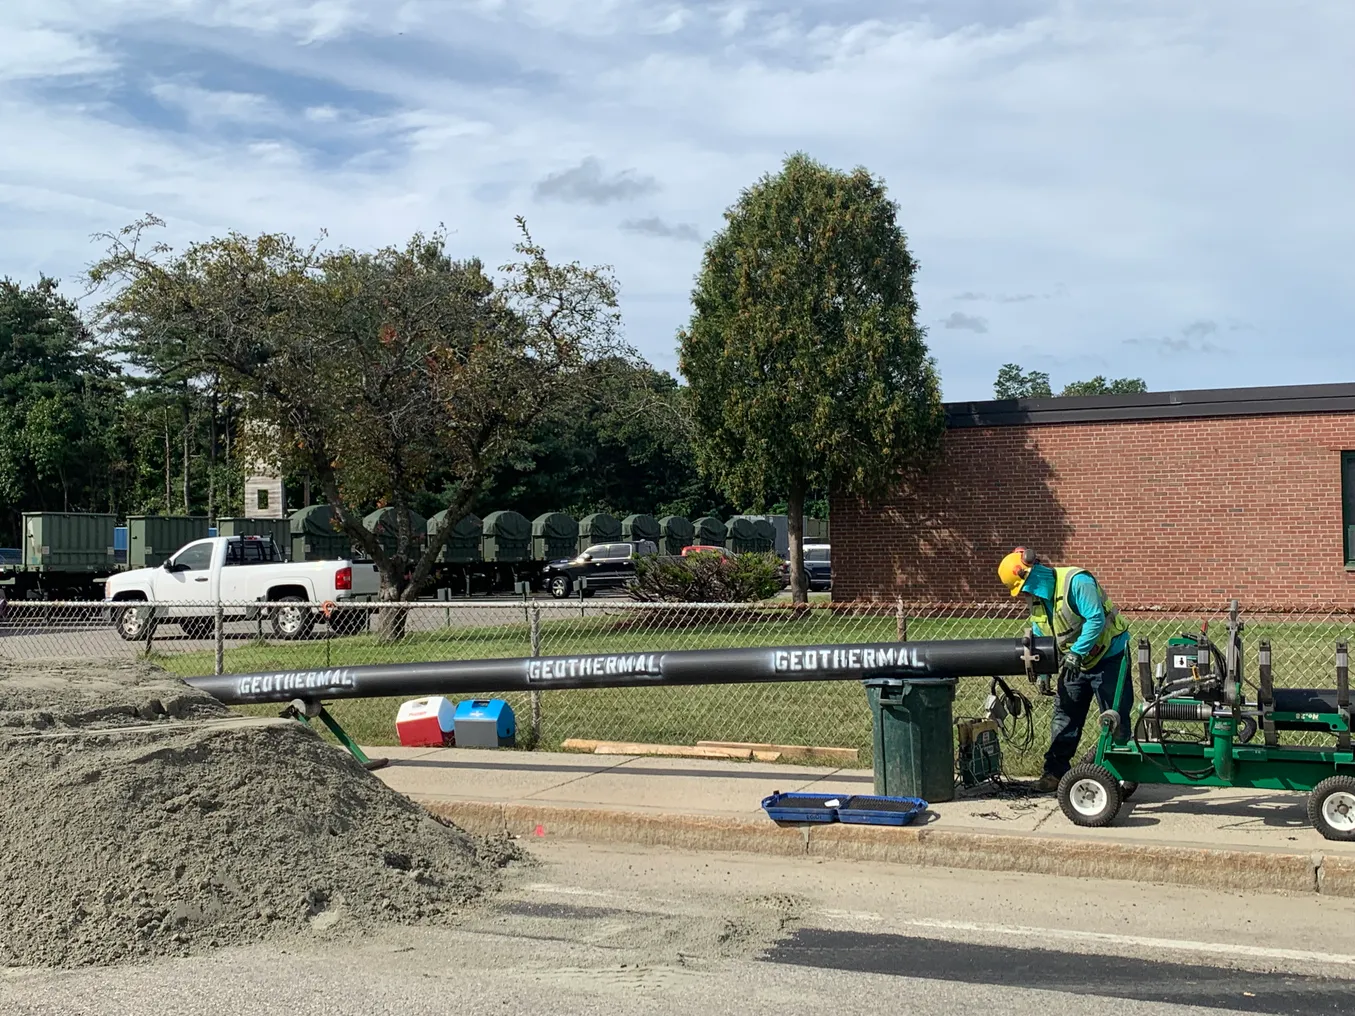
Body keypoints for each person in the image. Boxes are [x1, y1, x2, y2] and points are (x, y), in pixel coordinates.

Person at [997, 547, 1133, 793]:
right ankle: (1055, 773)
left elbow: (1095, 619)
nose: (1024, 594)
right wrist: (1044, 671)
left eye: (1023, 588)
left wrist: (1077, 653)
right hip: (1075, 660)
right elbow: (1041, 635)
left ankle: (1123, 774)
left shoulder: (1077, 582)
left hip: (1110, 654)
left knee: (1115, 716)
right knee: (1064, 715)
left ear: (1033, 573)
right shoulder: (1038, 602)